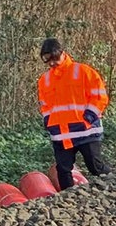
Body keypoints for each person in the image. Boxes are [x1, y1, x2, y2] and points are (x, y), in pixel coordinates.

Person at [37, 38, 110, 189]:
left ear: (63, 54)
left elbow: (99, 96)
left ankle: (113, 188)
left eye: (54, 58)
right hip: (61, 134)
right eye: (47, 60)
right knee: (63, 170)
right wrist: (48, 121)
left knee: (95, 166)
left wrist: (89, 117)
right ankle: (67, 201)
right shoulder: (45, 80)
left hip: (86, 130)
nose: (51, 63)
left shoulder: (83, 71)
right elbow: (45, 105)